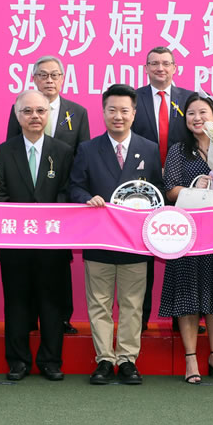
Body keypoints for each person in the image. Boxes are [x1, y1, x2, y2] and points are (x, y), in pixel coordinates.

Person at [69, 84, 165, 386]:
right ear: (103, 112)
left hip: (135, 242)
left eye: (124, 110)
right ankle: (104, 360)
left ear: (134, 113)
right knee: (99, 303)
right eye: (112, 110)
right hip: (99, 239)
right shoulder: (88, 149)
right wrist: (87, 198)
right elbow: (74, 186)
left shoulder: (149, 148)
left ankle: (127, 360)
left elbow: (158, 191)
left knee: (132, 304)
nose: (118, 116)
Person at [159, 93, 213, 383]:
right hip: (188, 232)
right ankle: (191, 358)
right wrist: (195, 189)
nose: (197, 118)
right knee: (188, 292)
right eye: (191, 113)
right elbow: (170, 190)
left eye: (203, 112)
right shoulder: (179, 150)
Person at [4, 54, 89, 335]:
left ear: (63, 79)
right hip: (25, 205)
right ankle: (29, 318)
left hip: (61, 201)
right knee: (26, 268)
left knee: (58, 267)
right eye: (43, 75)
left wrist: (66, 202)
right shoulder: (20, 108)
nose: (49, 80)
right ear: (34, 79)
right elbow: (12, 150)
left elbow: (83, 157)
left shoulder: (77, 112)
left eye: (54, 75)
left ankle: (61, 318)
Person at [0, 90, 74, 381]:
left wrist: (45, 221)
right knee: (16, 304)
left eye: (40, 111)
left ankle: (51, 361)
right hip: (15, 244)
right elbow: (0, 194)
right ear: (18, 116)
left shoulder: (63, 151)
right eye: (27, 111)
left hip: (52, 243)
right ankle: (18, 361)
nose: (34, 116)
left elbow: (67, 193)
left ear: (48, 114)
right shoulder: (3, 151)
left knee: (51, 305)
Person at [131, 46, 192, 329]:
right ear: (146, 68)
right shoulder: (134, 99)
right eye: (154, 63)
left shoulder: (189, 99)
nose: (160, 68)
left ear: (175, 68)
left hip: (182, 188)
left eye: (166, 63)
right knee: (142, 256)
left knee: (183, 252)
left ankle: (185, 318)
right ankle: (140, 318)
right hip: (144, 187)